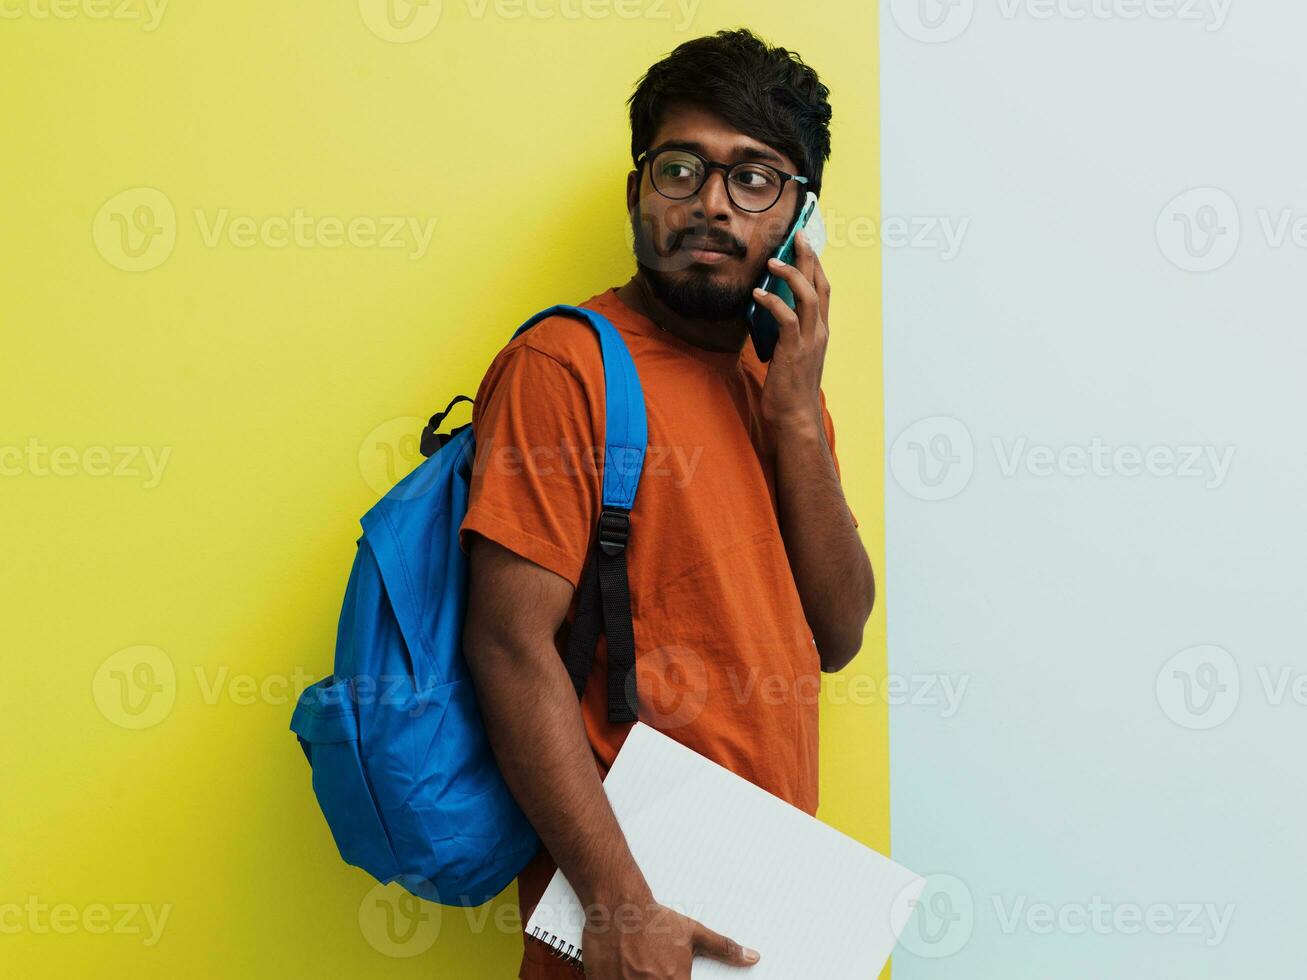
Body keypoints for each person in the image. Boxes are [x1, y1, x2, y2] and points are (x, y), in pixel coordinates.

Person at [458, 27, 873, 980]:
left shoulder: (782, 386)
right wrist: (617, 902)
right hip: (631, 905)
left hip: (769, 887)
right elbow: (507, 644)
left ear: (801, 216)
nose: (711, 205)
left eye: (754, 178)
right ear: (638, 189)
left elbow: (837, 631)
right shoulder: (565, 365)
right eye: (680, 168)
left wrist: (798, 414)